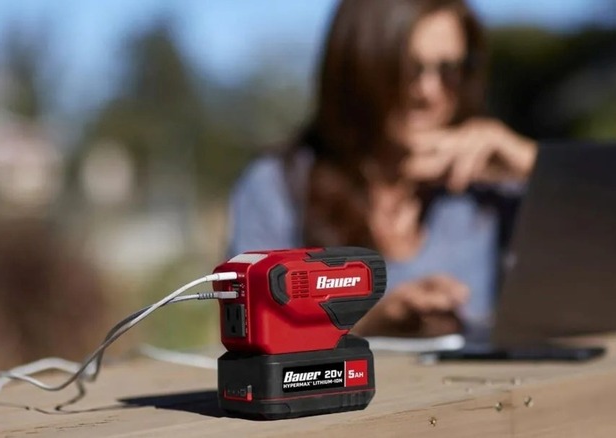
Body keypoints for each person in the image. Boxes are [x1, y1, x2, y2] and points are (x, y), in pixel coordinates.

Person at [226, 0, 537, 338]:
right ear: (357, 68)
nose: (428, 92)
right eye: (407, 69)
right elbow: (252, 335)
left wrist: (528, 159)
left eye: (450, 69)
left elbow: (599, 257)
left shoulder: (489, 188)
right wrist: (373, 325)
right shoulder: (280, 187)